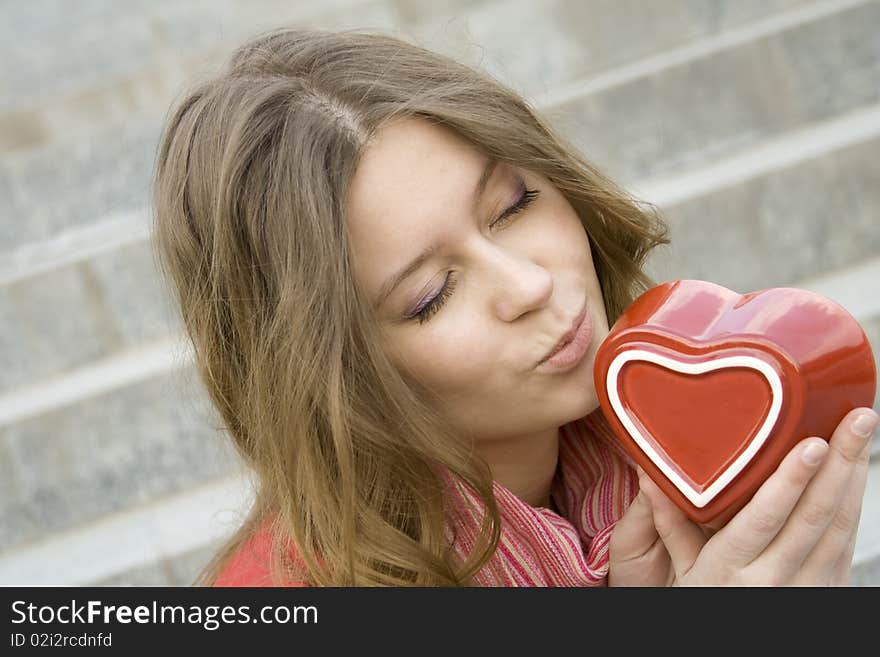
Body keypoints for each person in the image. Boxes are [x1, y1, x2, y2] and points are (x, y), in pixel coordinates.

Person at [150, 27, 878, 587]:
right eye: (431, 295)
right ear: (337, 379)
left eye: (514, 203)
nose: (530, 285)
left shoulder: (670, 450)